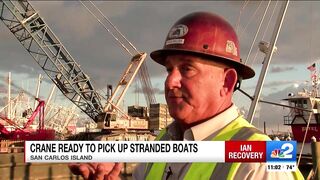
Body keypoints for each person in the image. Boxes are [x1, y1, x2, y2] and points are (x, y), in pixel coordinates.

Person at [69, 11, 304, 180]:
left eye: (187, 68)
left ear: (227, 82)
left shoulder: (263, 163)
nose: (170, 81)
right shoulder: (164, 142)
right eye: (169, 69)